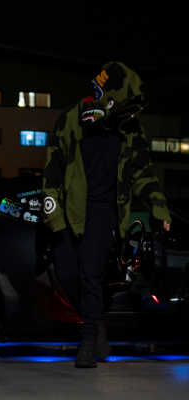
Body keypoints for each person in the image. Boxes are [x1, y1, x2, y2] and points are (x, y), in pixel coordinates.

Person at [42, 62, 171, 368]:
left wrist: (158, 206)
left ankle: (87, 342)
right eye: (126, 104)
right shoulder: (71, 120)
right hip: (70, 208)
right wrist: (55, 217)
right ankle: (94, 323)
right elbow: (52, 173)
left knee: (89, 272)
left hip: (104, 210)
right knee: (66, 274)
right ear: (109, 100)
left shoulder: (131, 129)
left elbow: (142, 175)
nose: (131, 112)